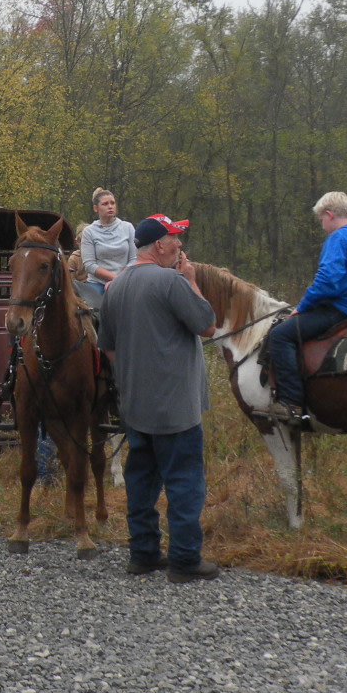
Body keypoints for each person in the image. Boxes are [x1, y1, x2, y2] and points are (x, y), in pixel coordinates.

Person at [97, 213, 220, 581]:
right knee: (184, 482)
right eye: (175, 239)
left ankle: (144, 554)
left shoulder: (115, 287)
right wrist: (193, 281)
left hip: (136, 406)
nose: (180, 245)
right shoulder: (172, 281)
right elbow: (208, 324)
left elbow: (110, 349)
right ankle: (184, 561)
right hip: (175, 408)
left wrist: (134, 380)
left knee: (141, 482)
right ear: (160, 245)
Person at [264, 191, 347, 425]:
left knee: (280, 336)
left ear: (329, 215)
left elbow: (328, 279)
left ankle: (291, 404)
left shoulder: (339, 238)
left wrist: (304, 306)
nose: (323, 226)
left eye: (321, 221)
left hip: (341, 308)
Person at [77, 188, 136, 310]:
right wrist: (114, 279)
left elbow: (134, 259)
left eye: (112, 203)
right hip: (97, 283)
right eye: (105, 204)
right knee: (89, 312)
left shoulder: (128, 227)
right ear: (96, 208)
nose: (110, 207)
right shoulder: (89, 231)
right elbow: (89, 265)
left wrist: (121, 279)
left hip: (125, 280)